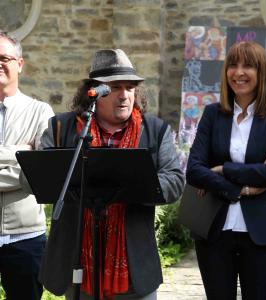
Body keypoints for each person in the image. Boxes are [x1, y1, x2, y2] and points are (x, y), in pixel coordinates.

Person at [37, 49, 184, 299]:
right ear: (93, 91)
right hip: (77, 262)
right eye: (115, 87)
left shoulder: (155, 131)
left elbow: (175, 181)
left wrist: (133, 185)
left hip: (134, 267)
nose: (125, 95)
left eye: (130, 87)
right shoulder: (62, 128)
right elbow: (36, 179)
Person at [186, 41, 266, 300]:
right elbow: (195, 171)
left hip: (263, 232)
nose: (238, 72)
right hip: (214, 228)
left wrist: (223, 169)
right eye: (233, 65)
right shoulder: (213, 113)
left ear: (262, 72)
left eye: (248, 66)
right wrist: (240, 189)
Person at [0, 32, 54, 299]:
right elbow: (26, 167)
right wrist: (20, 152)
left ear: (19, 64)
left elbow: (41, 173)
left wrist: (29, 162)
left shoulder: (40, 112)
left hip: (25, 238)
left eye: (4, 58)